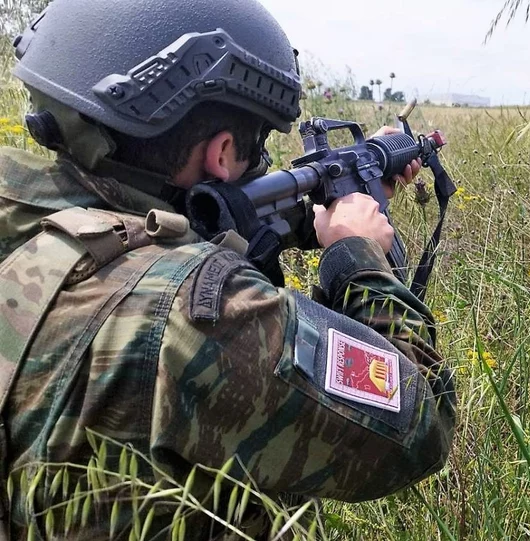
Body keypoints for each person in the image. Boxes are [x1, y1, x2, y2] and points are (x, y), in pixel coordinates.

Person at [0, 0, 456, 538]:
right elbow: (421, 423)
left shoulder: (21, 215)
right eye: (257, 147)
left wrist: (311, 216)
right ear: (220, 154)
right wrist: (358, 254)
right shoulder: (200, 317)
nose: (260, 164)